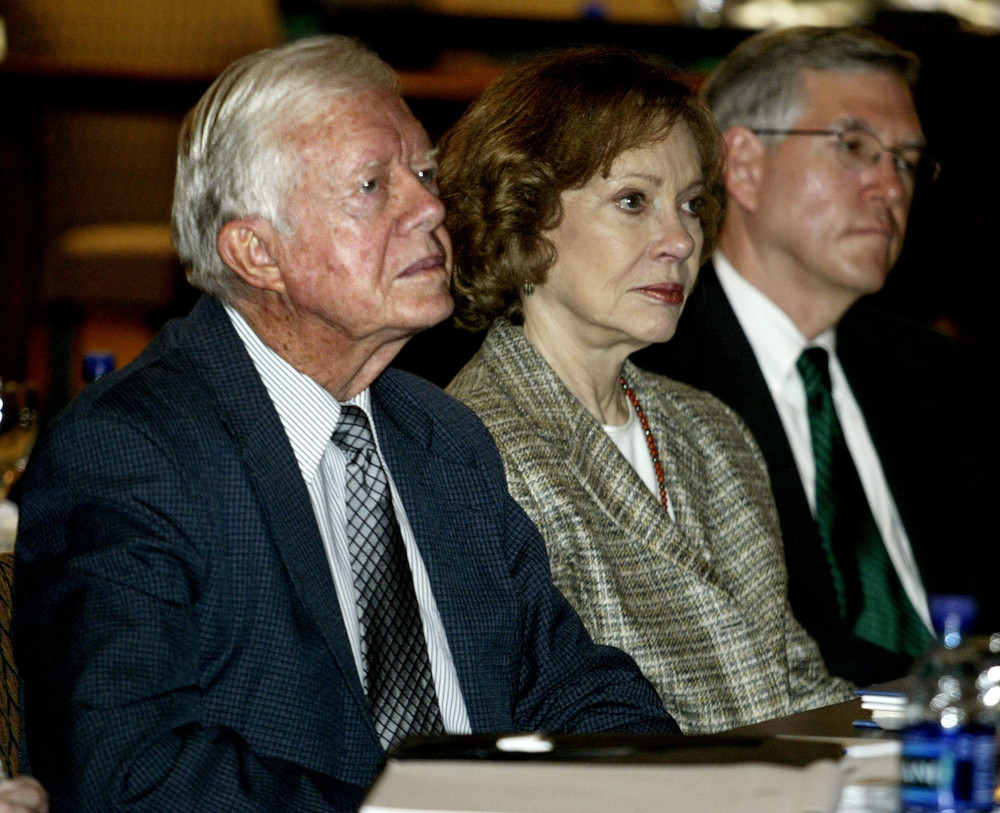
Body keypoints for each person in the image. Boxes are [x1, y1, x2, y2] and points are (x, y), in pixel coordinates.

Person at [12, 35, 678, 812]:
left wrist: (662, 782)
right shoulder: (132, 453)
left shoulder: (444, 438)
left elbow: (572, 687)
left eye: (424, 173)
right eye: (372, 185)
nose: (431, 205)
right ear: (257, 252)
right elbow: (133, 772)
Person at [441, 45, 852, 735]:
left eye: (690, 204)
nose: (680, 240)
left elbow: (798, 686)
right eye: (633, 201)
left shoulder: (709, 427)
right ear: (525, 215)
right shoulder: (472, 450)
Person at [634, 26, 996, 687]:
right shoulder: (651, 371)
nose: (891, 187)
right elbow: (724, 653)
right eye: (854, 147)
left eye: (908, 161)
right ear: (742, 163)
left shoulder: (940, 375)